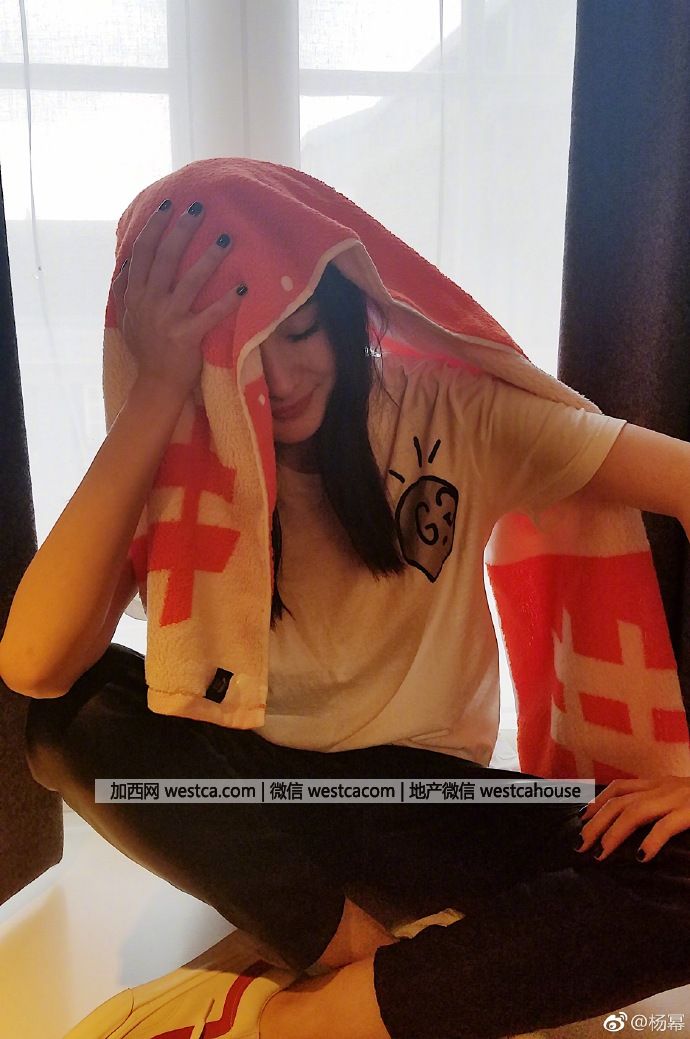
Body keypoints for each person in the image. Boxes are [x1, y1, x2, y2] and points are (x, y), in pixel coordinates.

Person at [5, 198, 690, 1039]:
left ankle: (314, 1013)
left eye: (300, 332)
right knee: (71, 715)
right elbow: (34, 665)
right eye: (243, 349)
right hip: (256, 799)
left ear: (344, 311)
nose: (284, 379)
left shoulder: (450, 412)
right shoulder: (188, 448)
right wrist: (156, 388)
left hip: (421, 798)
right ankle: (364, 960)